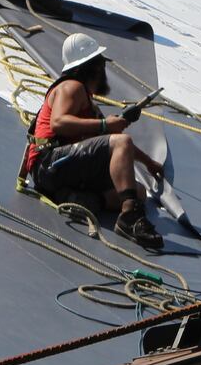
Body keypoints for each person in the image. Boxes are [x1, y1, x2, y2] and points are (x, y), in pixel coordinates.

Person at [22, 32, 164, 249]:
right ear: (93, 67)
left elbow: (104, 139)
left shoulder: (87, 104)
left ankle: (81, 198)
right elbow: (59, 123)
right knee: (121, 142)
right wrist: (105, 126)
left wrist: (148, 162)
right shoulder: (71, 87)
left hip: (61, 170)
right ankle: (129, 219)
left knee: (139, 192)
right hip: (49, 162)